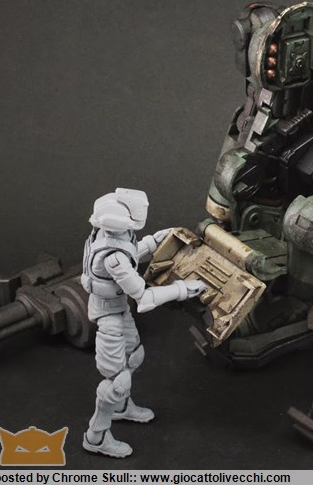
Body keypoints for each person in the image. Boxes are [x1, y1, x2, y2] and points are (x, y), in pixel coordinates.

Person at [81, 188, 206, 458]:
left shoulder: (109, 235)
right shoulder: (112, 256)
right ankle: (96, 436)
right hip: (108, 318)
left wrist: (157, 240)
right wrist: (182, 289)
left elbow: (131, 251)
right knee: (116, 381)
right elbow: (145, 298)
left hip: (118, 310)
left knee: (134, 356)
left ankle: (120, 407)